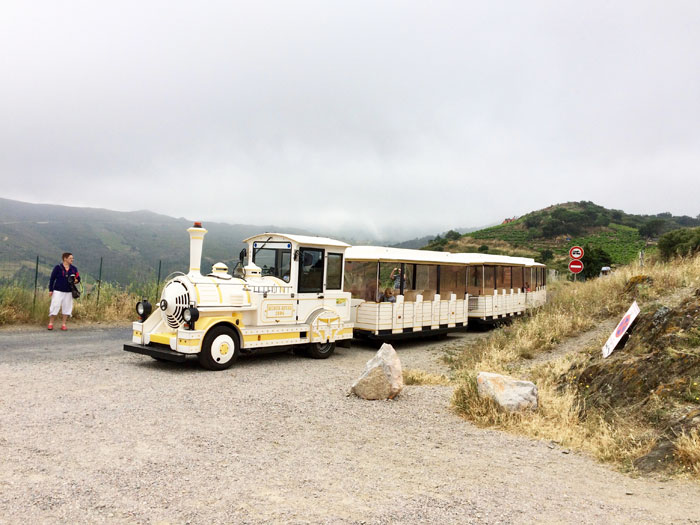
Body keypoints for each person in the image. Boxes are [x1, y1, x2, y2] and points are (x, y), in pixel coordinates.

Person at [48, 252, 80, 331]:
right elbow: (52, 279)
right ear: (65, 258)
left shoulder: (74, 269)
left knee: (67, 307)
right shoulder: (57, 268)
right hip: (58, 290)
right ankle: (51, 323)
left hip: (69, 291)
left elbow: (78, 279)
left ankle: (64, 324)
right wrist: (51, 290)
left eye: (72, 258)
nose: (72, 259)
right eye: (70, 258)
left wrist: (75, 280)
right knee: (55, 306)